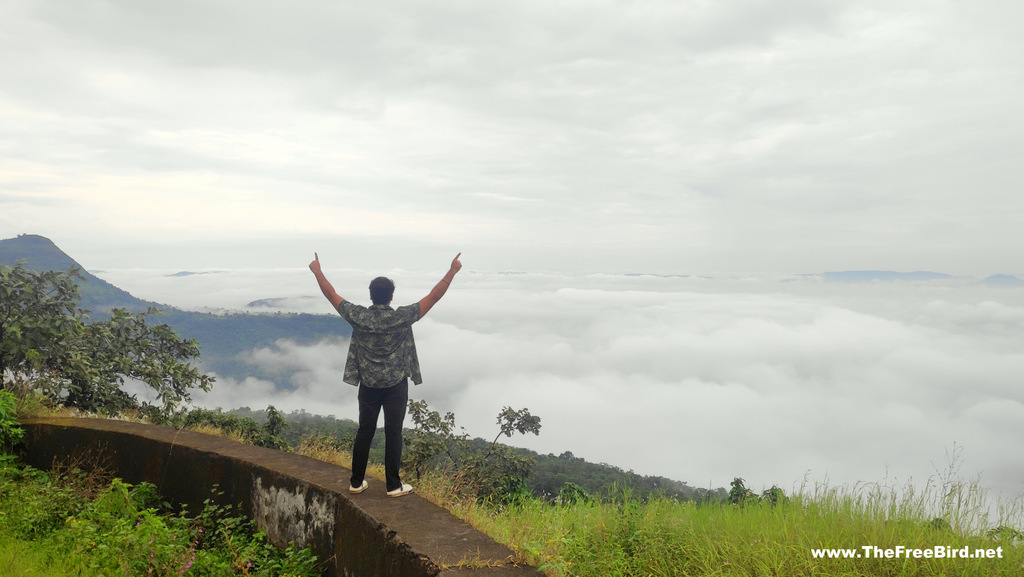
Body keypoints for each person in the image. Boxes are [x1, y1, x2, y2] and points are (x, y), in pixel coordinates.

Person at [309, 252, 462, 497]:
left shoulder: (359, 316)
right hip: (395, 386)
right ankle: (393, 485)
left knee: (364, 431)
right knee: (394, 432)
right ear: (391, 296)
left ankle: (356, 482)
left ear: (371, 295)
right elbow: (433, 297)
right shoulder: (401, 318)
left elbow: (331, 294)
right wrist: (452, 270)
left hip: (368, 386)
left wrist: (317, 270)